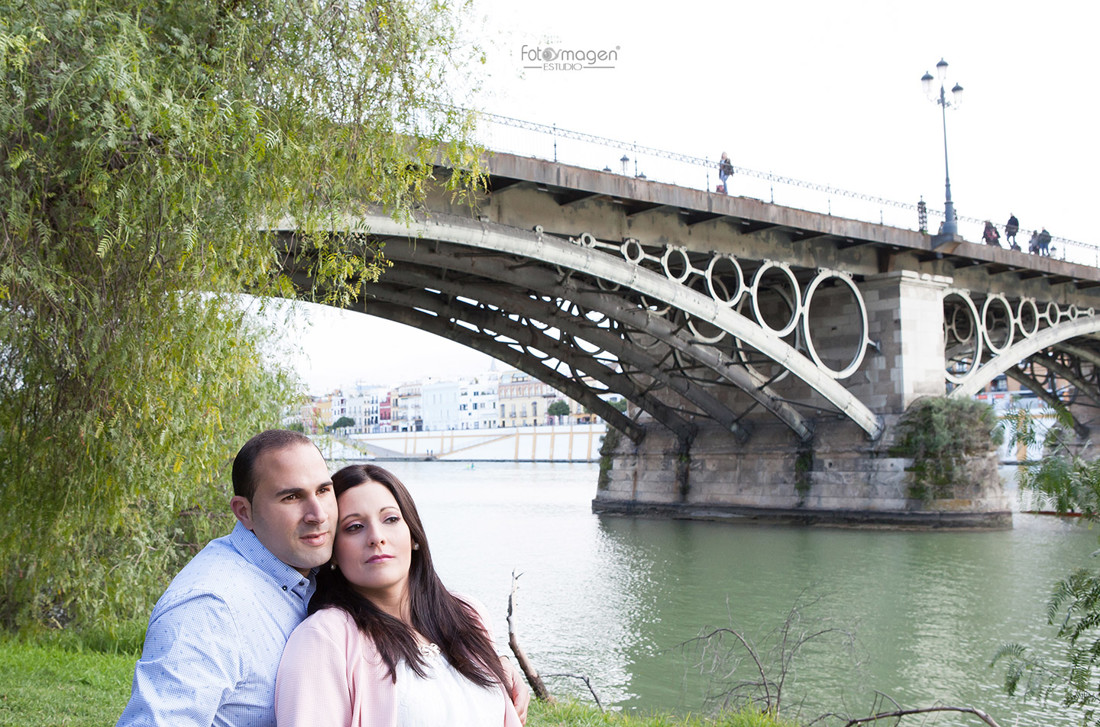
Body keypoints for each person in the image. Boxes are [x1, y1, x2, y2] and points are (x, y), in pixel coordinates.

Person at [117, 432, 528, 727]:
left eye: (324, 489)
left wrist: (492, 661)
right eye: (291, 497)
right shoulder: (211, 606)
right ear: (243, 512)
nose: (318, 513)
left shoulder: (304, 572)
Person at [275, 464, 523, 726]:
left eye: (390, 519)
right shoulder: (324, 638)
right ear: (334, 552)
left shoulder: (469, 613)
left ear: (413, 534)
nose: (376, 537)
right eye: (355, 527)